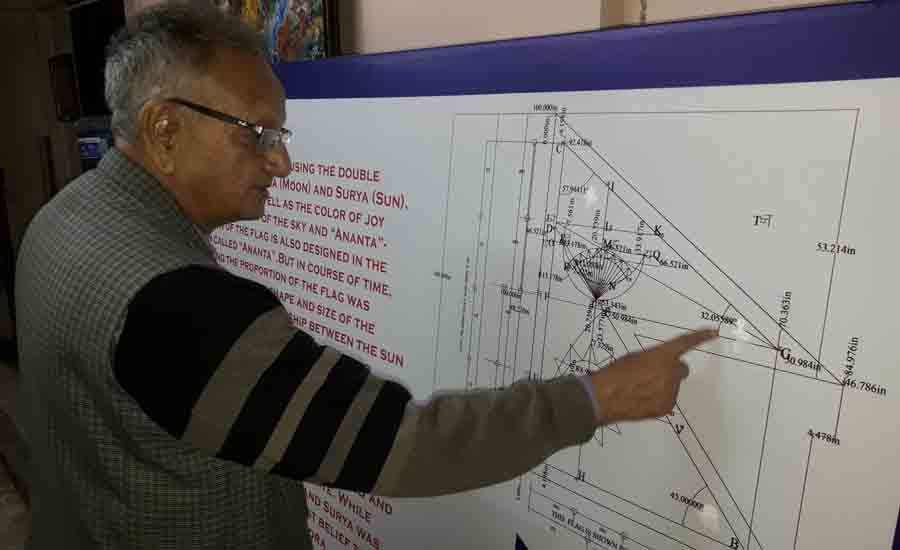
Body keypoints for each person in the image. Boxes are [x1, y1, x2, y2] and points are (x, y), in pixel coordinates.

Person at [14, 4, 717, 549]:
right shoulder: (172, 303)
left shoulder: (60, 219)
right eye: (257, 133)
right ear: (165, 130)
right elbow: (403, 445)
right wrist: (596, 397)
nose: (281, 163)